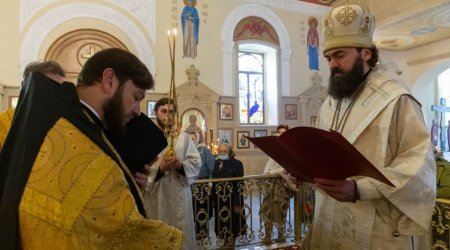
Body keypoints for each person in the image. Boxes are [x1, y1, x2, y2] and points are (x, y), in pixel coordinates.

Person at [0, 48, 183, 249]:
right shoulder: (85, 148)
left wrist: (130, 186)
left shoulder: (39, 118)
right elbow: (118, 230)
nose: (137, 111)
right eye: (136, 97)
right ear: (109, 80)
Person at [295, 2, 436, 249]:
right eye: (329, 58)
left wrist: (360, 189)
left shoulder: (396, 100)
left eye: (340, 56)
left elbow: (419, 167)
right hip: (329, 222)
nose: (332, 65)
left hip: (377, 231)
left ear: (366, 53)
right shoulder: (331, 103)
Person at [144, 97, 202, 250]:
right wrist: (160, 169)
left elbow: (196, 162)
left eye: (171, 112)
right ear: (156, 112)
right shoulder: (148, 137)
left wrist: (179, 165)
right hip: (157, 194)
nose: (167, 116)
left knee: (181, 232)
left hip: (179, 194)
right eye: (163, 111)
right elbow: (139, 166)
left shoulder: (183, 138)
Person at [0, 61, 66, 150]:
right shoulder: (3, 123)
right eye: (48, 87)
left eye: (60, 89)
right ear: (27, 88)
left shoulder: (64, 125)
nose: (55, 94)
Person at [260, 125, 297, 243]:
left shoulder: (291, 150)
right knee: (267, 210)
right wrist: (271, 172)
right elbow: (267, 169)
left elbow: (287, 169)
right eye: (279, 132)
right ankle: (267, 237)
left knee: (281, 211)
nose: (280, 134)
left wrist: (274, 172)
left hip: (283, 187)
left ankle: (281, 235)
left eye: (283, 132)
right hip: (270, 186)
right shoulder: (274, 149)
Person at [211, 143, 246, 248]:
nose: (222, 153)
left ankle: (231, 244)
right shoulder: (217, 163)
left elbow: (239, 185)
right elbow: (214, 181)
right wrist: (213, 198)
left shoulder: (237, 164)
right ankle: (226, 243)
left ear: (229, 152)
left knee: (233, 222)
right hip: (219, 199)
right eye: (220, 151)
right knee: (223, 222)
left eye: (224, 151)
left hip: (232, 199)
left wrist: (237, 203)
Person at [189, 131, 215, 239]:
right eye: (190, 139)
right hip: (190, 184)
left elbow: (211, 167)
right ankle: (194, 229)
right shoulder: (186, 151)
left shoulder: (204, 150)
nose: (192, 141)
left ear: (198, 139)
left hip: (202, 183)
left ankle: (203, 229)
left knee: (202, 206)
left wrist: (210, 181)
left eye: (193, 138)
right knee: (192, 207)